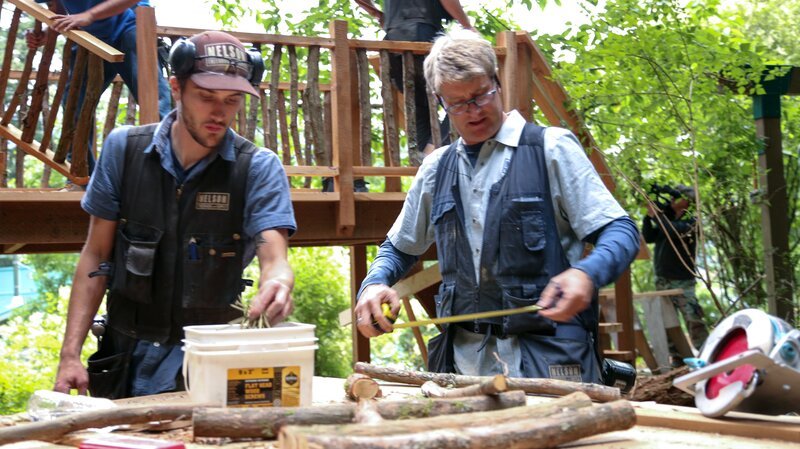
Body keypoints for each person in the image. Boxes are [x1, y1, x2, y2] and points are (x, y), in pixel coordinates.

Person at [354, 30, 640, 383]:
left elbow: (621, 231)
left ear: (496, 82)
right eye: (457, 104)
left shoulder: (550, 148)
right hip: (461, 370)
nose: (472, 111)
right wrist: (374, 283)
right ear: (442, 103)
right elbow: (397, 249)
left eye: (479, 95)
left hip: (550, 364)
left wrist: (587, 273)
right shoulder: (436, 169)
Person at [53, 30, 296, 398]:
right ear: (176, 88)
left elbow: (274, 257)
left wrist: (278, 282)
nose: (219, 112)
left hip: (210, 361)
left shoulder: (258, 168)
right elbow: (96, 255)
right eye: (205, 97)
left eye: (232, 100)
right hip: (126, 357)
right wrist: (69, 355)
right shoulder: (123, 151)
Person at [26, 0, 172, 182]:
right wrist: (51, 31)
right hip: (89, 36)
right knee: (74, 108)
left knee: (155, 101)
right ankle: (85, 179)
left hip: (128, 25)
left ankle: (171, 170)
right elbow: (60, 6)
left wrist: (90, 15)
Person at [355, 0, 474, 157]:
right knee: (463, 99)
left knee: (418, 107)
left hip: (393, 45)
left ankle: (426, 161)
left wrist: (377, 14)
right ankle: (433, 155)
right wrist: (467, 26)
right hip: (425, 39)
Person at [642, 184, 709, 364]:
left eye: (676, 198)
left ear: (687, 201)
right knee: (668, 323)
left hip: (683, 283)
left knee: (693, 320)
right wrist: (648, 216)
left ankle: (707, 355)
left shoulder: (692, 222)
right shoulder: (668, 220)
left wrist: (657, 215)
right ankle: (678, 359)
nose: (672, 200)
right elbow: (648, 237)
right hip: (663, 280)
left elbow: (672, 231)